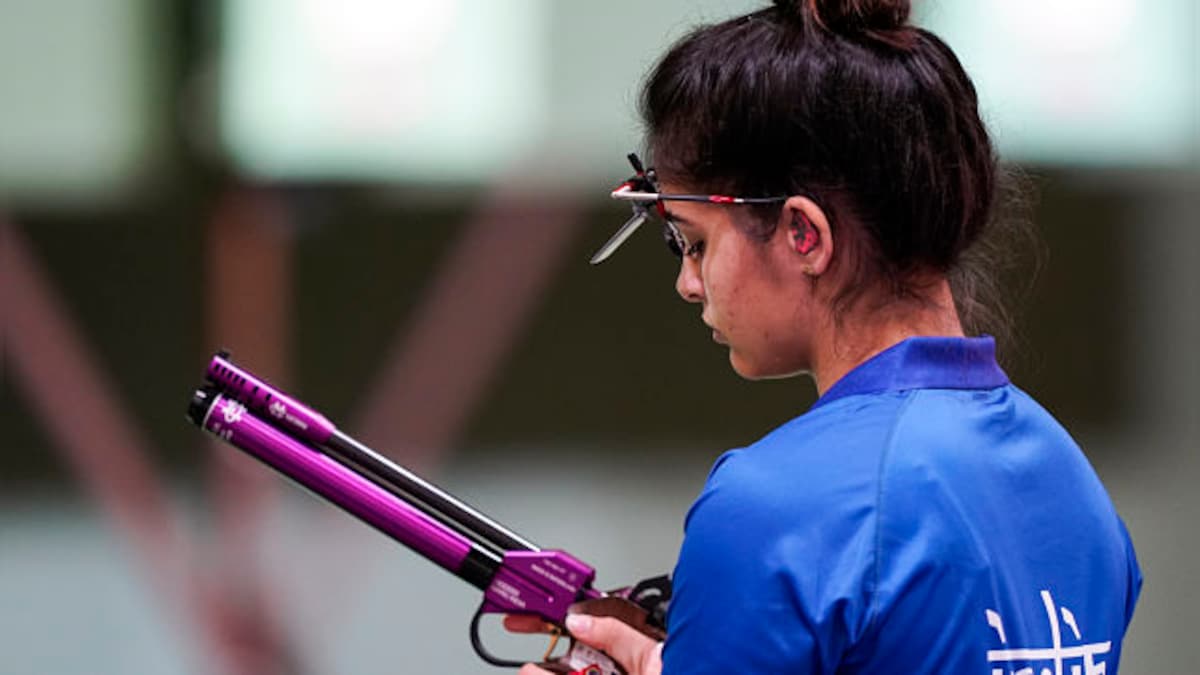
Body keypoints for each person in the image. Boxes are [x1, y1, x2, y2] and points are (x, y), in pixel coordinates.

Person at [508, 0, 1142, 672]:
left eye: (694, 243)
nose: (689, 284)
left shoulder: (772, 506)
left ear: (802, 233)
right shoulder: (1074, 485)